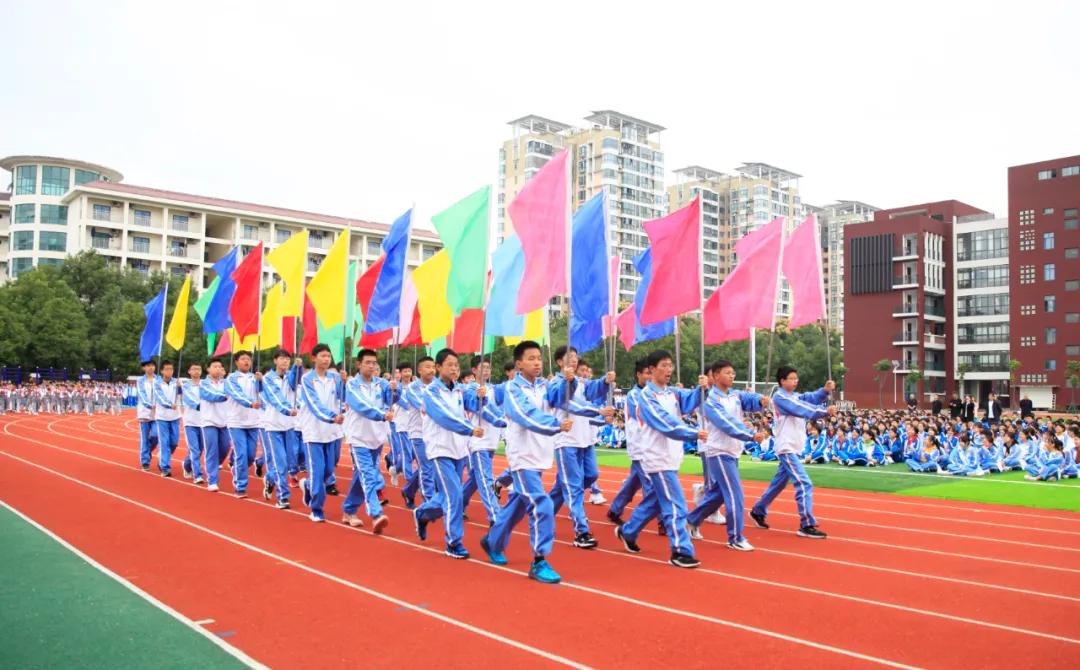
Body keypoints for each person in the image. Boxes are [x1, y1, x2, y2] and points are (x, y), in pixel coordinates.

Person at [478, 340, 573, 584]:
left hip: (540, 455)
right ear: (519, 364)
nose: (537, 362)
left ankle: (492, 541)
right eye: (531, 358)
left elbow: (562, 399)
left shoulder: (545, 386)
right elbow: (525, 415)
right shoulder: (512, 389)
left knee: (516, 507)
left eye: (539, 358)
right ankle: (539, 560)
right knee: (541, 504)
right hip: (522, 457)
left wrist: (568, 381)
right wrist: (555, 425)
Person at [614, 349, 708, 568]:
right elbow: (663, 422)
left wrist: (702, 389)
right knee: (676, 503)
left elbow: (689, 403)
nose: (668, 370)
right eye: (664, 366)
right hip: (656, 457)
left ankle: (628, 532)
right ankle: (680, 550)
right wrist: (692, 433)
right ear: (652, 370)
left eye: (670, 366)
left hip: (671, 456)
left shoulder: (672, 393)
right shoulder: (645, 396)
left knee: (655, 501)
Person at [687, 359, 768, 550]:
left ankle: (691, 520)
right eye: (727, 372)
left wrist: (760, 401)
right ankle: (735, 537)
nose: (731, 376)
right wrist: (751, 435)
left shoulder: (736, 395)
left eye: (733, 372)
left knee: (718, 494)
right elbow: (726, 423)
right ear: (715, 376)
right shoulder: (710, 400)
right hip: (718, 451)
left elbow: (751, 401)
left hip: (733, 451)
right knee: (734, 494)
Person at [414, 349, 486, 559]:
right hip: (439, 449)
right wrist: (469, 429)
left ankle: (423, 513)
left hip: (459, 449)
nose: (454, 369)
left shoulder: (461, 391)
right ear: (438, 368)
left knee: (447, 494)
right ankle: (453, 542)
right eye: (450, 365)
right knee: (455, 495)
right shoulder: (430, 392)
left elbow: (476, 406)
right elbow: (443, 416)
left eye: (456, 365)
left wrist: (482, 398)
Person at [749, 367, 835, 539]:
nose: (795, 381)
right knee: (804, 483)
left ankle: (758, 510)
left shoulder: (794, 396)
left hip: (794, 448)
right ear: (782, 381)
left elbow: (810, 398)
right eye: (792, 378)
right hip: (786, 447)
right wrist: (824, 412)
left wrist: (825, 390)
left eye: (796, 378)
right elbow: (801, 408)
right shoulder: (780, 397)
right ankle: (806, 524)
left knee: (778, 484)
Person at [547, 346, 615, 550]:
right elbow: (569, 403)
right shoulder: (555, 383)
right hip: (566, 441)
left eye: (576, 357)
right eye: (570, 357)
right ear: (560, 362)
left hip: (584, 441)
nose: (574, 361)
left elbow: (593, 389)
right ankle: (581, 531)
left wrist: (605, 381)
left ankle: (543, 512)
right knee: (573, 486)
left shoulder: (582, 382)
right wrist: (597, 411)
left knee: (589, 475)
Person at [341, 349, 394, 532]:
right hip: (359, 438)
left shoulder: (382, 384)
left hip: (376, 438)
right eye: (368, 363)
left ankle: (348, 510)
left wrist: (396, 389)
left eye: (374, 363)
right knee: (368, 476)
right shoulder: (352, 384)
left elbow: (394, 400)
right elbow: (361, 406)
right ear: (359, 364)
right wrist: (381, 414)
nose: (371, 366)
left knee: (361, 476)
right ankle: (376, 514)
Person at [298, 344, 345, 522]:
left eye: (328, 356)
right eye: (323, 356)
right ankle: (316, 509)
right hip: (314, 432)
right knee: (318, 472)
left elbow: (344, 398)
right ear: (314, 358)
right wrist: (332, 417)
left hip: (333, 433)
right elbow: (314, 403)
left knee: (328, 471)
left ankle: (308, 485)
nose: (326, 359)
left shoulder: (335, 377)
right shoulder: (307, 379)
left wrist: (345, 383)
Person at [460, 355, 508, 527]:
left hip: (492, 441)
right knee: (486, 479)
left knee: (475, 478)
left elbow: (507, 396)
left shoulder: (494, 389)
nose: (486, 370)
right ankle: (495, 516)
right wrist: (480, 398)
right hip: (478, 440)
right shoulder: (469, 389)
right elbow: (479, 407)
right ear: (474, 370)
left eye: (488, 367)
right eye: (483, 367)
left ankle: (458, 505)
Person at [607, 359, 651, 525]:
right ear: (638, 374)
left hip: (650, 446)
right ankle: (661, 520)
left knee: (634, 481)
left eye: (651, 373)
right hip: (640, 446)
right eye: (646, 373)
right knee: (651, 485)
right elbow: (643, 416)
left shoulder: (653, 393)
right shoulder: (634, 395)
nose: (649, 377)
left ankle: (615, 509)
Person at [260, 350, 302, 510]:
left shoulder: (290, 376)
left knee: (291, 462)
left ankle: (270, 479)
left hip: (289, 425)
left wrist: (298, 367)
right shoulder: (268, 379)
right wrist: (287, 409)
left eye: (288, 359)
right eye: (282, 359)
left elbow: (295, 382)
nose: (285, 362)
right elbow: (275, 398)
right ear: (275, 360)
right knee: (280, 462)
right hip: (273, 426)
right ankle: (283, 497)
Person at [400, 356, 437, 509]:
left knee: (430, 467)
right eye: (427, 367)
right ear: (420, 370)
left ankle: (408, 490)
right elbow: (424, 406)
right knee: (427, 467)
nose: (431, 370)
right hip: (419, 434)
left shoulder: (439, 385)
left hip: (435, 434)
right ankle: (429, 502)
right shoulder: (413, 388)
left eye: (433, 366)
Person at [225, 351, 261, 498]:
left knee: (251, 456)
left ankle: (237, 469)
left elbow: (263, 394)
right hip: (236, 422)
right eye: (243, 359)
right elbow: (237, 394)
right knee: (241, 453)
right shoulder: (231, 378)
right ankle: (240, 486)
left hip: (253, 421)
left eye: (248, 359)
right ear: (236, 362)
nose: (246, 361)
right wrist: (250, 403)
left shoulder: (255, 378)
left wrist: (261, 382)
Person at [198, 359, 231, 492]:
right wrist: (225, 396)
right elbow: (210, 395)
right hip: (209, 422)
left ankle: (212, 465)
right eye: (215, 366)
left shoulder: (226, 383)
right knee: (212, 451)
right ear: (208, 369)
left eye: (220, 366)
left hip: (224, 421)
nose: (217, 368)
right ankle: (212, 480)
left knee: (225, 448)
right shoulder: (203, 383)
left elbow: (235, 392)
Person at [153, 360, 181, 477]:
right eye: (167, 369)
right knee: (165, 442)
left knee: (174, 442)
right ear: (162, 371)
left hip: (175, 417)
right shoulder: (157, 383)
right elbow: (160, 398)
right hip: (162, 417)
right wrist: (170, 404)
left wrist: (180, 388)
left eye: (171, 369)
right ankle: (165, 467)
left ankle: (163, 457)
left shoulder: (177, 382)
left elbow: (182, 394)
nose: (169, 371)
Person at [180, 362, 206, 484]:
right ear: (189, 372)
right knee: (195, 450)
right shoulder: (185, 385)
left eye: (198, 369)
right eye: (194, 369)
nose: (196, 371)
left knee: (200, 449)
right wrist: (199, 405)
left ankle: (186, 464)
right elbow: (188, 399)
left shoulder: (205, 384)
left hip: (204, 421)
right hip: (190, 422)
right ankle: (198, 475)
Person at [136, 360, 159, 471]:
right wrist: (150, 405)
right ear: (144, 368)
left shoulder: (159, 379)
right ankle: (145, 461)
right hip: (144, 414)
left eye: (152, 365)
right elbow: (142, 394)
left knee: (155, 436)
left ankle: (147, 451)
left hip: (157, 414)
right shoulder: (140, 380)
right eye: (148, 366)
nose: (151, 368)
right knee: (145, 438)